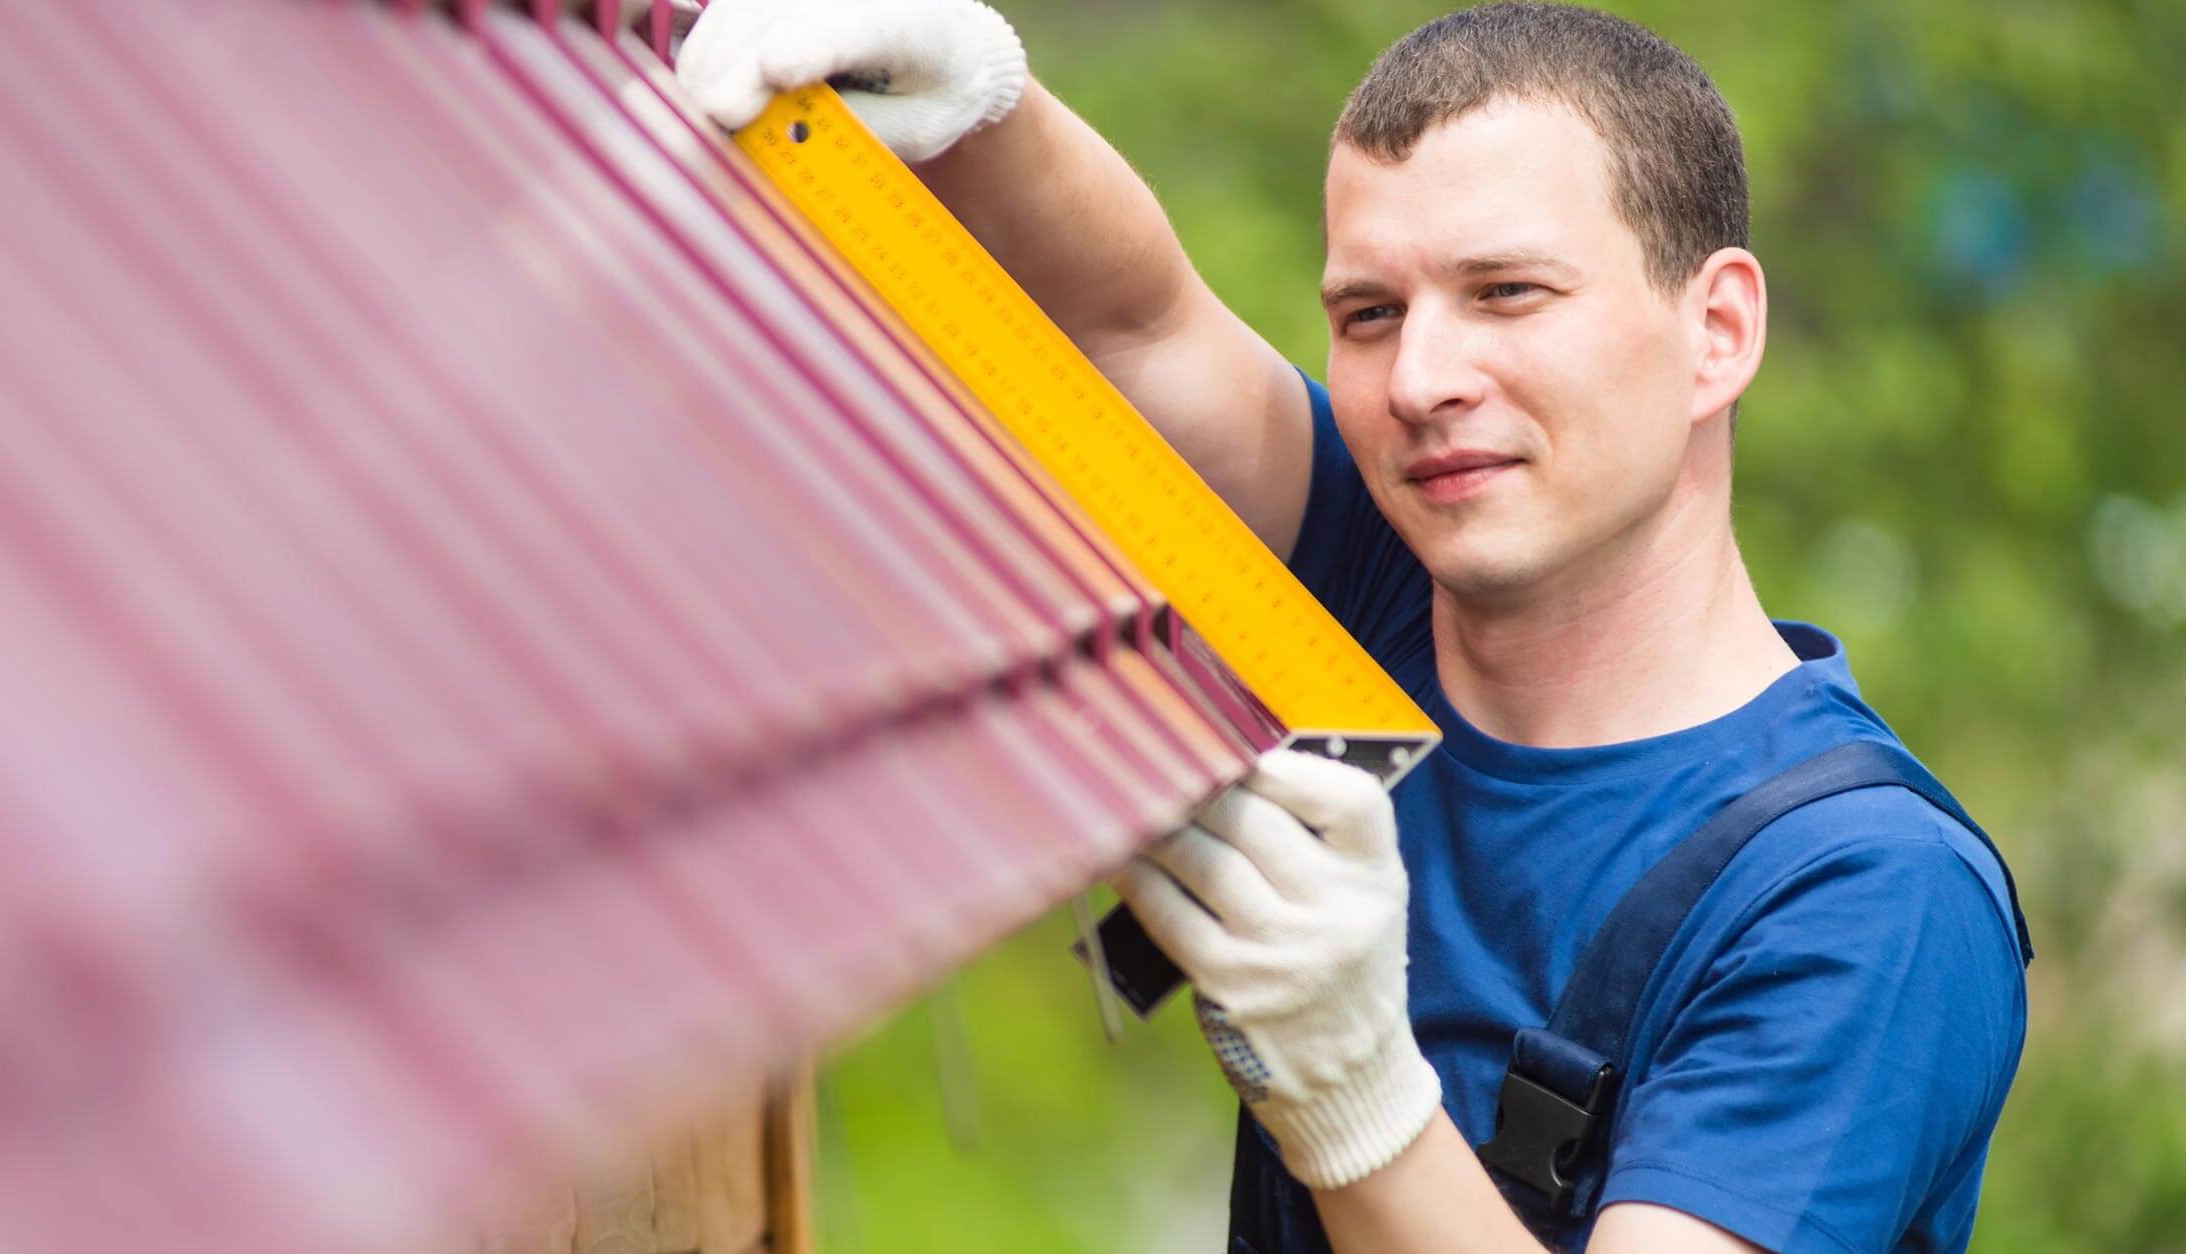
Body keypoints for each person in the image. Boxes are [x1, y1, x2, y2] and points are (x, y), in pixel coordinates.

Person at [676, 3, 2032, 1250]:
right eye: (1369, 315)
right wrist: (985, 105)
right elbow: (1127, 320)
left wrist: (1356, 1097)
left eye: (1508, 293)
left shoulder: (1864, 896)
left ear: (1718, 330)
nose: (1423, 381)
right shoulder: (1369, 586)